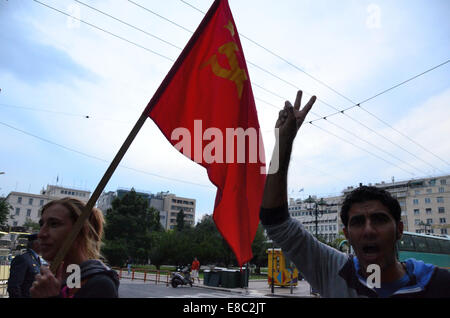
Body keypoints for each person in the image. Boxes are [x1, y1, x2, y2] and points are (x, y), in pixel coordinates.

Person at [260, 90, 450, 298]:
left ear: (399, 230)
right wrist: (283, 143)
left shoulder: (438, 284)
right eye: (358, 222)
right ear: (346, 234)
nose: (369, 230)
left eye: (379, 219)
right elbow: (276, 222)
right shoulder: (334, 271)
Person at [30, 197, 120, 298]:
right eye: (41, 225)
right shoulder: (51, 280)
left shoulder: (100, 285)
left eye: (54, 224)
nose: (41, 234)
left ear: (81, 231)